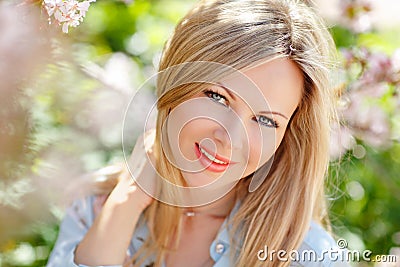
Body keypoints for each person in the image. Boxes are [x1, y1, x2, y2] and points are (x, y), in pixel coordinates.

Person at [47, 0, 350, 266]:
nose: (230, 138)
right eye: (218, 97)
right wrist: (126, 204)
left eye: (266, 121)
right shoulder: (94, 209)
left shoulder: (310, 256)